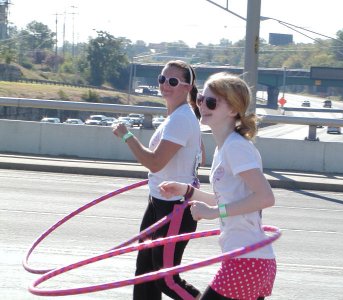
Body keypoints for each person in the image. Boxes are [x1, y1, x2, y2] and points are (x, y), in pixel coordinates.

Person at [159, 72, 277, 300]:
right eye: (201, 99)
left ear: (233, 110)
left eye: (212, 102)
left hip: (246, 261)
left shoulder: (236, 147)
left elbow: (265, 197)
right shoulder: (224, 148)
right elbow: (226, 199)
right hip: (253, 260)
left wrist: (214, 213)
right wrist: (186, 190)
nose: (203, 106)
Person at [112, 60, 202, 300]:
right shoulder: (177, 117)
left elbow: (155, 162)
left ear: (187, 87)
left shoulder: (181, 119)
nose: (165, 85)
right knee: (145, 274)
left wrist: (127, 135)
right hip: (158, 202)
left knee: (165, 279)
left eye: (173, 81)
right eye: (162, 79)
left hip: (175, 208)